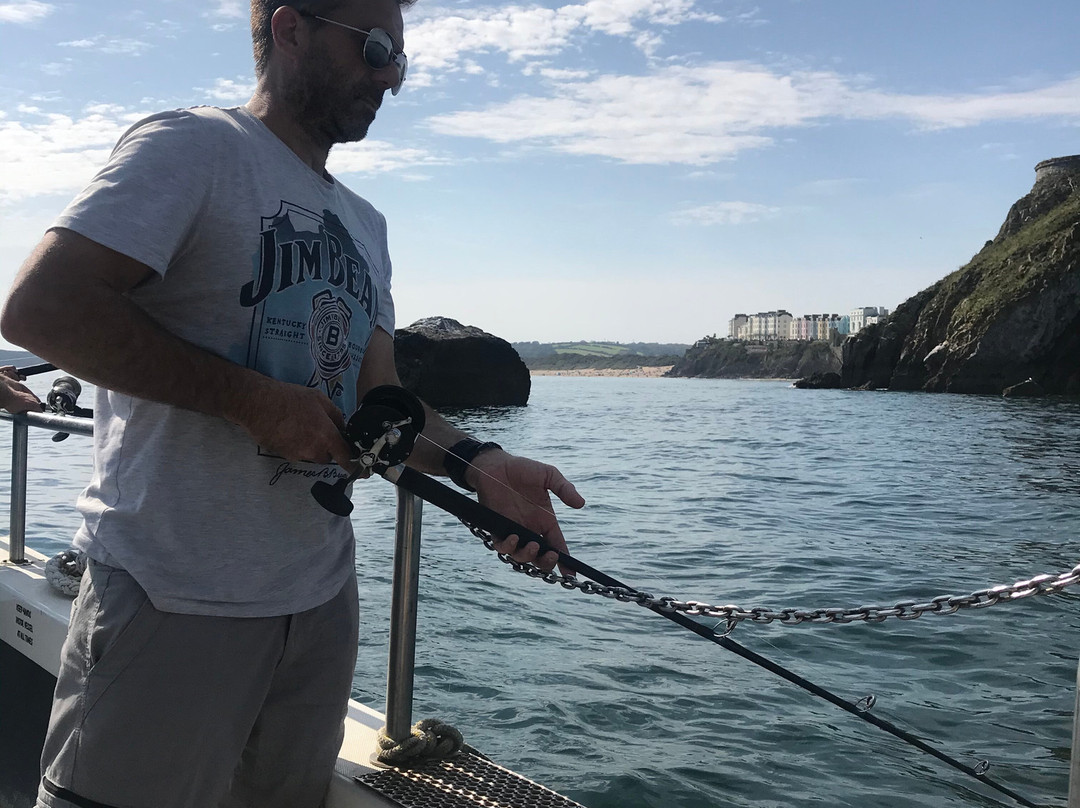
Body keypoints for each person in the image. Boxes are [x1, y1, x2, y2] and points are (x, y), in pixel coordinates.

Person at [0, 0, 585, 806]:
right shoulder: (195, 147)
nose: (390, 77)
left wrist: (480, 463)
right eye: (377, 49)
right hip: (171, 595)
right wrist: (252, 401)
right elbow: (41, 310)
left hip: (318, 607)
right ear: (290, 28)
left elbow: (380, 397)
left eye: (401, 62)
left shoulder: (365, 224)